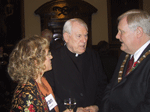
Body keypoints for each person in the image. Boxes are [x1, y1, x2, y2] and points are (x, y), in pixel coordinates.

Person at [44, 18, 107, 112]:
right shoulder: (53, 58)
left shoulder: (93, 55)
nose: (84, 40)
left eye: (86, 35)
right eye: (79, 36)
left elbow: (103, 85)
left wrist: (97, 105)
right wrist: (69, 109)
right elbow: (48, 92)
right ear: (66, 37)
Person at [101, 9, 150, 112]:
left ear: (138, 32)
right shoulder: (125, 54)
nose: (117, 36)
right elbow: (111, 87)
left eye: (121, 32)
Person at [8, 36, 59, 112]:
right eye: (48, 54)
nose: (51, 57)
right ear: (36, 61)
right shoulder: (26, 94)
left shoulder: (43, 80)